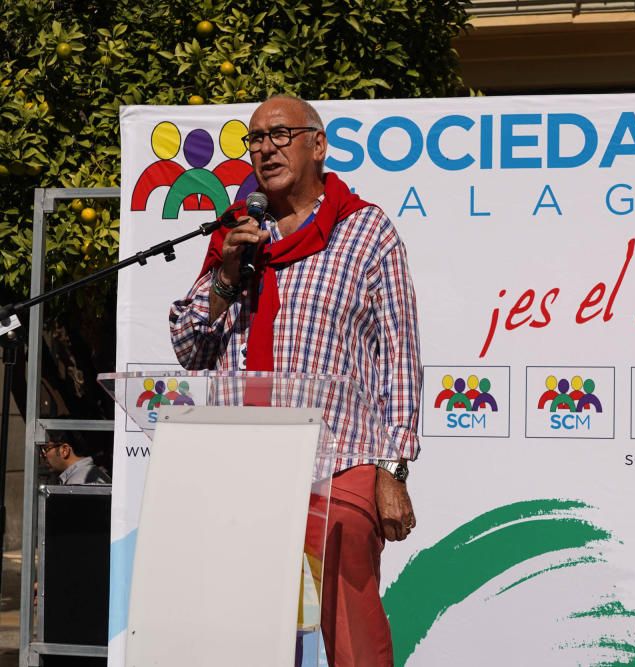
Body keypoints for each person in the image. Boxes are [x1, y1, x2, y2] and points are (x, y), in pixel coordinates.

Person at [168, 94, 421, 666]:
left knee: (351, 615)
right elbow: (189, 349)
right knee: (244, 630)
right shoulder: (236, 234)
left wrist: (393, 467)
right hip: (244, 457)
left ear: (318, 145)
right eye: (255, 139)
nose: (265, 148)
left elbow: (399, 355)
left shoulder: (365, 231)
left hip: (340, 455)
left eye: (280, 134)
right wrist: (228, 276)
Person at [39, 430, 111, 485]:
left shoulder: (79, 480)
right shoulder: (87, 473)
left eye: (45, 449)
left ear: (65, 450)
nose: (41, 455)